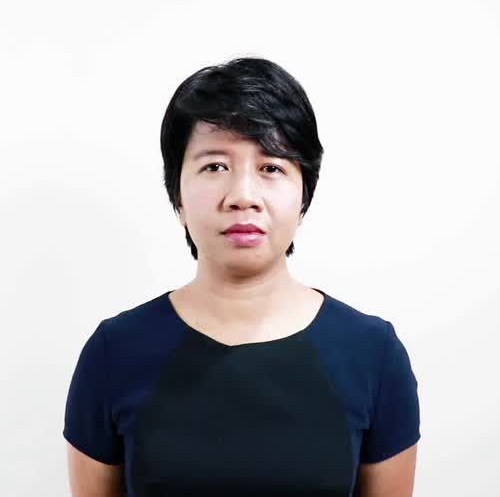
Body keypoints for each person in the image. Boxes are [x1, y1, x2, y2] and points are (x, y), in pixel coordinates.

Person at [63, 57, 420, 497]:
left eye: (271, 167)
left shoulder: (373, 355)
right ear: (178, 196)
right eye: (215, 166)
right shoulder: (114, 352)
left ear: (303, 196)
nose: (243, 196)